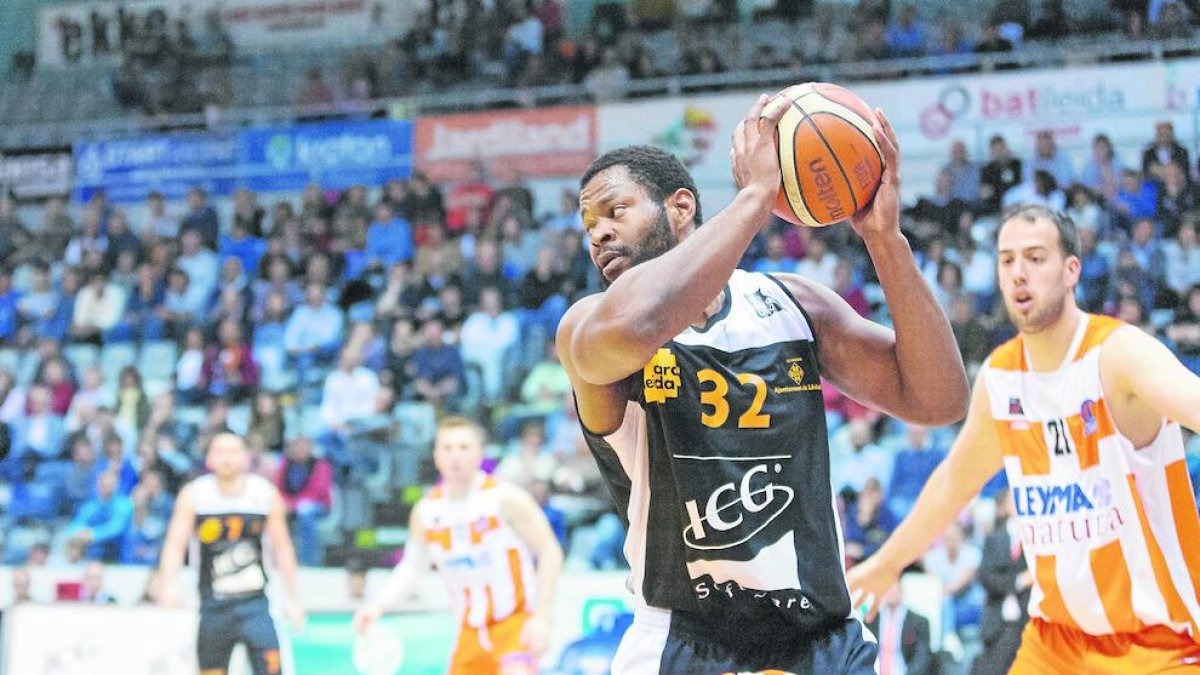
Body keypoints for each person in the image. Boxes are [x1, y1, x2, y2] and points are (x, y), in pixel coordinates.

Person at [555, 94, 968, 672]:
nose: (597, 233)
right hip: (686, 638)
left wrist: (884, 240)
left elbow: (940, 399)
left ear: (681, 208)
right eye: (588, 224)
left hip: (820, 638)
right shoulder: (589, 326)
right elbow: (639, 324)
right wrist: (754, 197)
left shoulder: (792, 305)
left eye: (614, 210)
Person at [849, 204, 1200, 673]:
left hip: (1157, 644)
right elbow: (954, 482)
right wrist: (887, 563)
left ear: (1072, 270)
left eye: (1036, 258)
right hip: (1056, 643)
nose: (1019, 274)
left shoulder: (1118, 356)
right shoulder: (1001, 377)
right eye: (1007, 259)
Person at [352, 417, 563, 675]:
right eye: (448, 448)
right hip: (468, 631)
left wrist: (541, 617)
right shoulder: (426, 511)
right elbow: (412, 568)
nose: (456, 456)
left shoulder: (506, 499)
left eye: (464, 447)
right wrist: (377, 605)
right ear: (436, 456)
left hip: (514, 623)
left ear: (479, 453)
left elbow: (550, 551)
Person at [159, 433, 306, 675]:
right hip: (212, 603)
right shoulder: (195, 494)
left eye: (233, 451)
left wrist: (293, 599)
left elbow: (283, 548)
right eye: (220, 451)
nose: (227, 458)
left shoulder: (264, 493)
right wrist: (168, 584)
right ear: (209, 459)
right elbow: (175, 544)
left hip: (257, 603)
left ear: (246, 458)